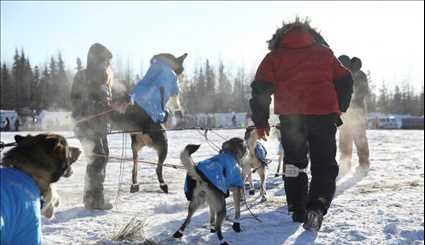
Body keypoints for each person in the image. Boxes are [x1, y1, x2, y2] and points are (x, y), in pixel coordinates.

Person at [249, 18, 353, 231]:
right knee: (323, 164)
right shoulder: (325, 54)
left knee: (294, 164)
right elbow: (345, 79)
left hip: (292, 117)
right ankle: (316, 207)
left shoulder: (274, 57)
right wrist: (339, 107)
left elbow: (260, 89)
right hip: (323, 117)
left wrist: (261, 122)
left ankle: (297, 208)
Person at [71, 43, 119, 210]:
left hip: (99, 126)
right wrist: (94, 107)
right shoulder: (83, 76)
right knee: (98, 158)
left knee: (102, 157)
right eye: (104, 60)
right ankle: (94, 200)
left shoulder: (104, 80)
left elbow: (106, 104)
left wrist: (114, 108)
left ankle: (93, 197)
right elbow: (76, 101)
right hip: (86, 125)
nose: (107, 64)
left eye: (107, 61)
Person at [338, 55, 370, 174]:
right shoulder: (341, 75)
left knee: (360, 138)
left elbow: (363, 91)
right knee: (344, 139)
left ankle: (364, 163)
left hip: (358, 112)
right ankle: (345, 163)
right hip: (345, 113)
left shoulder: (359, 75)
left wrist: (353, 101)